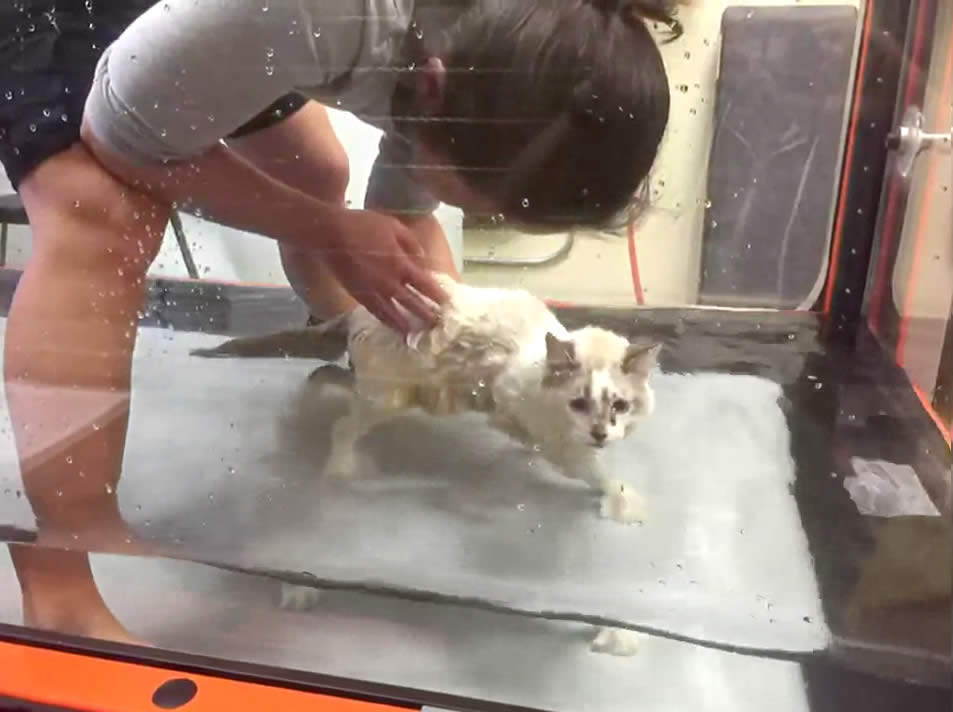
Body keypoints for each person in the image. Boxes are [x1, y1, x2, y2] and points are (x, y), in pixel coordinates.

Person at [5, 0, 681, 642]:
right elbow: (117, 137)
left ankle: (349, 347)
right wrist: (327, 231)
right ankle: (64, 574)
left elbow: (404, 209)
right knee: (102, 213)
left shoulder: (496, 51)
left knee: (314, 169)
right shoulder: (315, 15)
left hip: (248, 23)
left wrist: (439, 346)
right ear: (433, 86)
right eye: (488, 202)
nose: (491, 216)